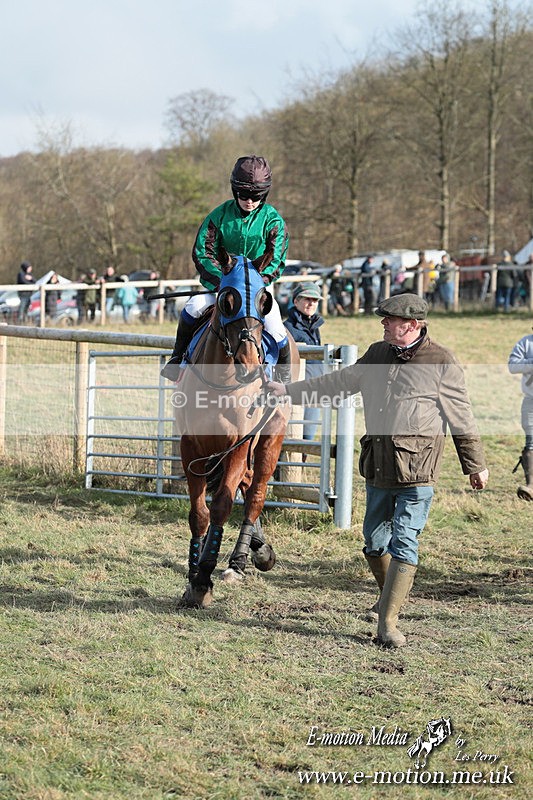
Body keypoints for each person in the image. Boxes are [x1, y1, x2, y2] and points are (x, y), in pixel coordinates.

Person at [266, 293, 489, 648]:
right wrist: (288, 391)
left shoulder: (442, 361)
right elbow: (336, 384)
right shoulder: (377, 353)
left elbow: (461, 417)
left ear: (412, 325)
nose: (383, 324)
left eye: (389, 320)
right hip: (379, 466)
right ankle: (389, 597)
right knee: (374, 541)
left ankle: (388, 622)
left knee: (405, 540)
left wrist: (474, 465)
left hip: (418, 468)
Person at [161, 155, 291, 381]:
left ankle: (283, 381)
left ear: (264, 194)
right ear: (234, 191)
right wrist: (223, 283)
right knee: (193, 307)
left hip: (257, 292)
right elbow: (202, 251)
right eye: (244, 195)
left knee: (277, 328)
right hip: (224, 288)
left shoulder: (274, 221)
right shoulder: (219, 215)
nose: (249, 201)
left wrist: (252, 285)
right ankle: (177, 358)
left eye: (256, 196)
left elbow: (276, 259)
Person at [283, 282, 324, 440]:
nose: (311, 303)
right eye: (307, 299)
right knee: (292, 436)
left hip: (315, 389)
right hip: (296, 392)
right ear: (295, 301)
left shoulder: (314, 326)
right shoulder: (287, 328)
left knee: (308, 436)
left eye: (315, 300)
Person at [508, 328, 533, 500]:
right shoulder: (526, 343)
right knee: (531, 442)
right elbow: (512, 366)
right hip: (530, 399)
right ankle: (531, 485)